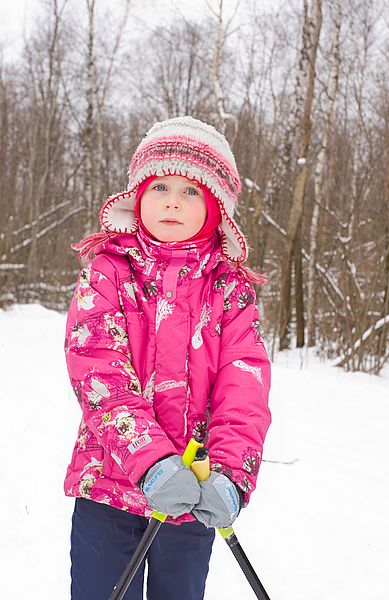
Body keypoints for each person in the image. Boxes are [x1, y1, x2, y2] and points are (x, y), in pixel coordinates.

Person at [64, 116, 272, 600]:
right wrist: (151, 461)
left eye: (191, 190)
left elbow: (244, 386)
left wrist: (232, 473)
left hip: (193, 498)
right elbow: (98, 372)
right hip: (109, 490)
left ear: (217, 206)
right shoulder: (108, 273)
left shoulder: (230, 290)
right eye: (160, 185)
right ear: (138, 195)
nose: (173, 200)